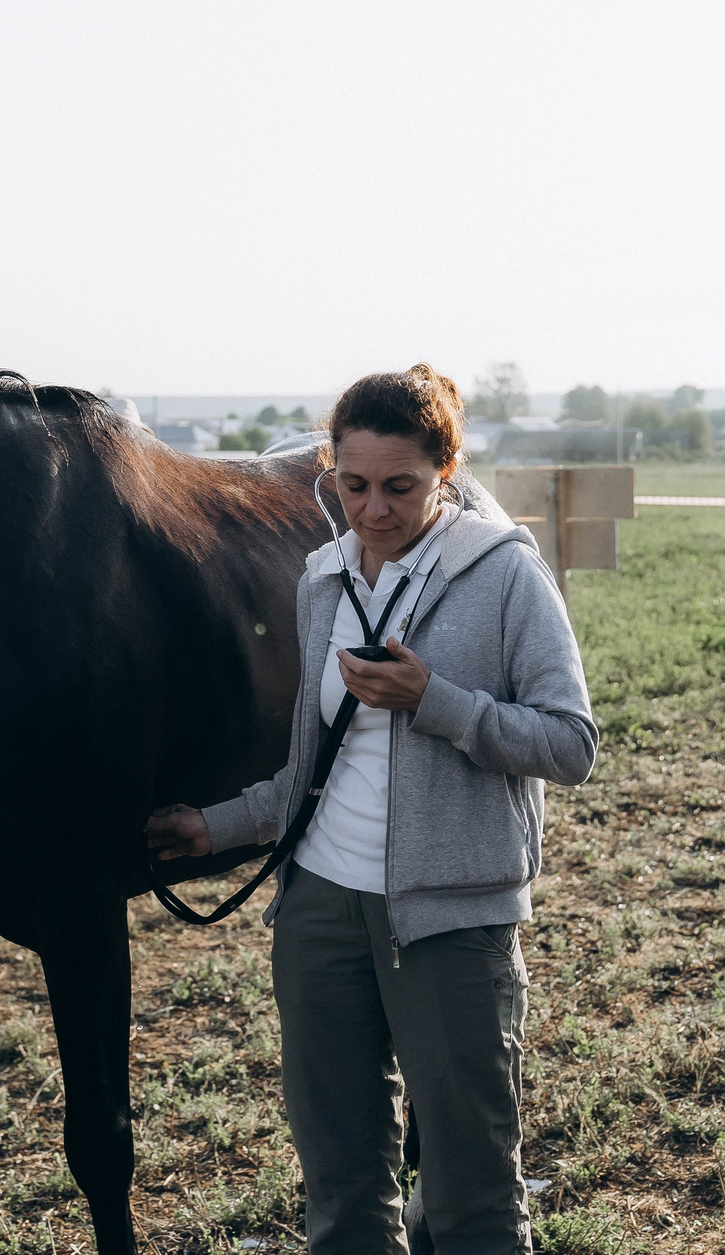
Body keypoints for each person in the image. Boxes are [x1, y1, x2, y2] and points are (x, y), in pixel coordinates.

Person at [145, 365, 596, 1255]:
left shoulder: (505, 576)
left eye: (401, 486)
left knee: (473, 1203)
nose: (374, 508)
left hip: (450, 918)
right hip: (319, 913)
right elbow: (312, 768)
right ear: (330, 473)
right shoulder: (324, 579)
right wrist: (217, 825)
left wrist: (437, 701)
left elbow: (571, 743)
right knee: (342, 1194)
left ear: (447, 471)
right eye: (353, 485)